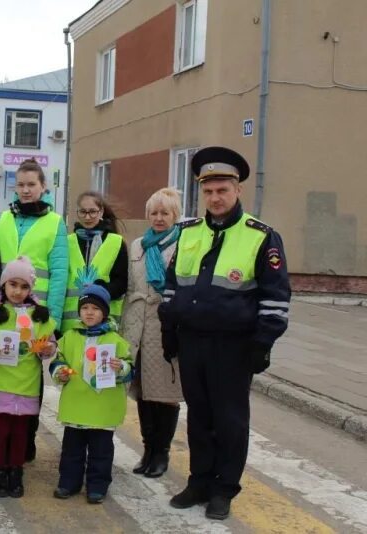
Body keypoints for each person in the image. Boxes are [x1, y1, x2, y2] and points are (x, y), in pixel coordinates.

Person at [159, 146, 291, 520]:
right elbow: (172, 287)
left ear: (237, 191)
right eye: (209, 191)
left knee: (230, 420)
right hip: (192, 341)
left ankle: (224, 488)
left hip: (234, 346)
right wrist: (169, 327)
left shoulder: (261, 237)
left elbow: (276, 297)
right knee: (199, 415)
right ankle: (199, 480)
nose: (215, 198)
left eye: (223, 190)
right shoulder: (187, 233)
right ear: (202, 192)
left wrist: (263, 343)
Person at [0, 158, 68, 462]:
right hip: (6, 312)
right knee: (4, 372)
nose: (25, 190)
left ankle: (26, 440)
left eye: (31, 184)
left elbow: (59, 272)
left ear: (43, 187)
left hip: (38, 314)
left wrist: (55, 317)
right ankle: (3, 439)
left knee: (31, 376)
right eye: (20, 184)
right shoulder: (5, 219)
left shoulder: (54, 222)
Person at [0, 256, 57, 498]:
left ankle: (16, 470)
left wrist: (47, 350)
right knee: (2, 428)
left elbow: (51, 344)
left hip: (27, 381)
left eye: (24, 287)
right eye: (13, 284)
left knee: (21, 430)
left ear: (30, 289)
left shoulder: (40, 316)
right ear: (4, 285)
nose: (18, 291)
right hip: (1, 380)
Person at [120, 188, 184, 478]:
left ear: (176, 215)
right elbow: (131, 286)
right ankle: (147, 449)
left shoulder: (182, 245)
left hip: (165, 326)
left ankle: (162, 452)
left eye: (165, 213)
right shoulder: (137, 246)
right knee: (143, 391)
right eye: (154, 213)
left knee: (165, 392)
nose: (159, 218)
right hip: (137, 326)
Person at [49, 285, 132, 504]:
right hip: (76, 404)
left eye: (95, 308)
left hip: (102, 408)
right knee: (72, 450)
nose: (89, 312)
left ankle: (97, 485)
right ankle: (69, 482)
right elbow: (58, 360)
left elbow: (130, 367)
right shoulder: (70, 336)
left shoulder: (116, 340)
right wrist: (60, 372)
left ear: (105, 311)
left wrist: (121, 367)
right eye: (85, 307)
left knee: (101, 452)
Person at [62, 191, 128, 331]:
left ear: (101, 211)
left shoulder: (115, 242)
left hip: (104, 322)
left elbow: (122, 282)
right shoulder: (67, 242)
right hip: (71, 324)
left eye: (92, 212)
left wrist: (101, 290)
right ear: (77, 212)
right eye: (83, 212)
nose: (87, 217)